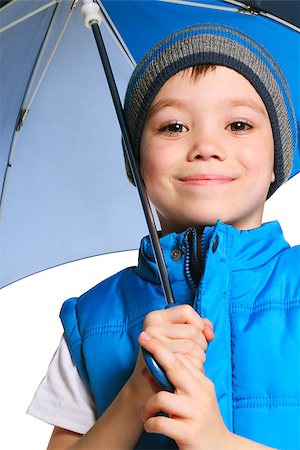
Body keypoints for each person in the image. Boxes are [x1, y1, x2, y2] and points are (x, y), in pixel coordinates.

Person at [27, 23, 300, 449]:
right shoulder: (94, 320)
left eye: (239, 125)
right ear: (137, 167)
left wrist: (217, 442)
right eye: (173, 127)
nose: (206, 145)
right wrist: (136, 393)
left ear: (275, 163)